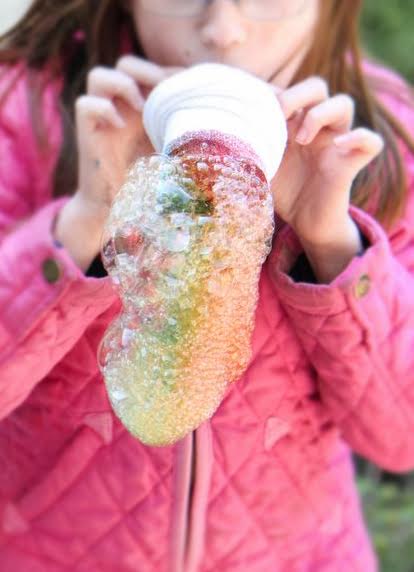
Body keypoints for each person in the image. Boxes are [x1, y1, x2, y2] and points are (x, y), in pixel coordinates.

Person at [0, 0, 413, 570]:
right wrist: (86, 219)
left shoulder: (373, 139)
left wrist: (331, 242)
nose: (222, 31)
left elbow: (401, 437)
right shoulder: (25, 112)